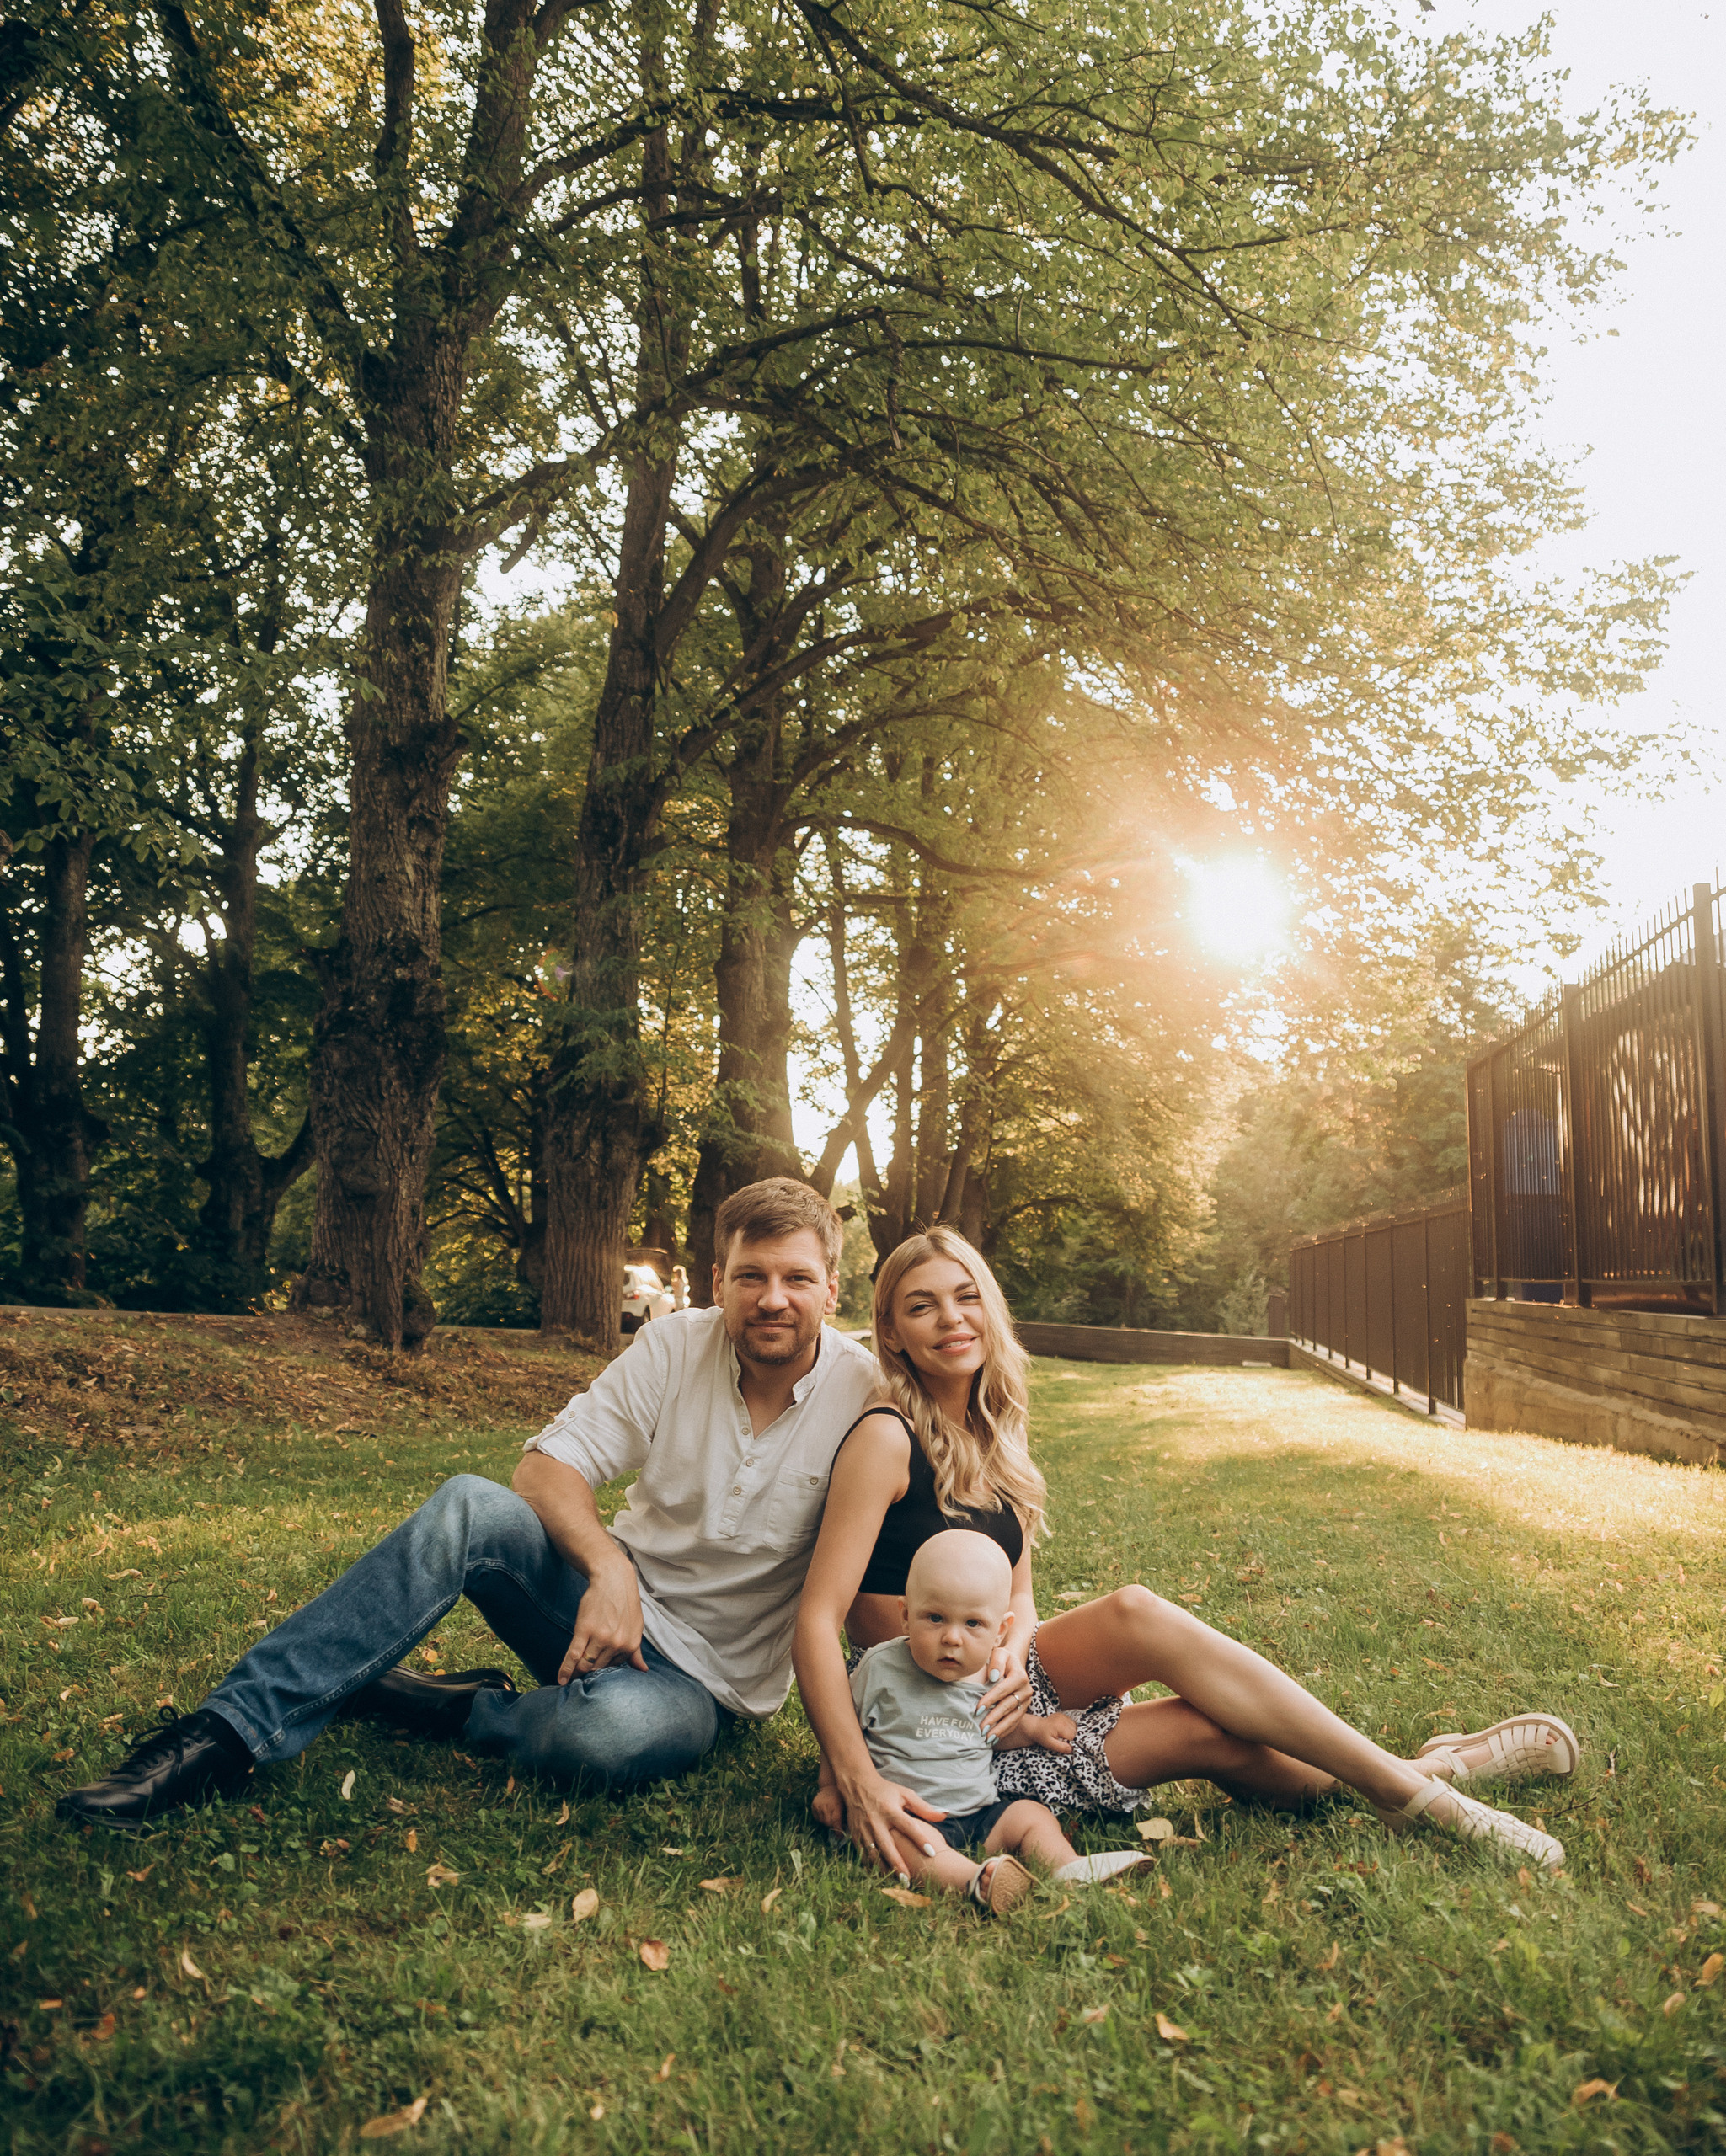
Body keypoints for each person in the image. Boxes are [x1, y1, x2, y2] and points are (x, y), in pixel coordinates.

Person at [58, 1180, 880, 1831]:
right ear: (717, 1282)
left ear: (832, 1289)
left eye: (797, 1278)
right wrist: (607, 1566)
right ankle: (224, 1734)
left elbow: (882, 1582)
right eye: (752, 1276)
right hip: (591, 1611)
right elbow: (545, 1467)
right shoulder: (673, 1343)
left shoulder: (864, 1396)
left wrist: (875, 1744)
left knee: (608, 1737)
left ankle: (452, 1705)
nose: (773, 1298)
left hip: (701, 1689)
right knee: (468, 1506)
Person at [792, 1227, 1579, 1878]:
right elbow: (817, 1622)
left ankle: (1423, 1788)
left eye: (965, 1297)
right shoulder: (884, 1437)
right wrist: (852, 1771)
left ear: (989, 1310)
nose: (950, 1319)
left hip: (1006, 1685)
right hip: (933, 1725)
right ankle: (1430, 1778)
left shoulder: (996, 1434)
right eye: (920, 1307)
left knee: (1137, 1615)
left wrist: (1016, 1668)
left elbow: (1018, 1595)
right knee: (1210, 1736)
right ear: (890, 1332)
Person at [827, 1529, 1154, 1914]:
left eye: (973, 1624)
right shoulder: (879, 1669)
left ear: (1000, 1630)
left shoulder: (989, 1677)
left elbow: (994, 1730)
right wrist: (830, 1788)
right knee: (905, 1844)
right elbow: (842, 1732)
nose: (952, 1638)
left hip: (983, 1814)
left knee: (1030, 1815)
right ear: (904, 1616)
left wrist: (1034, 1728)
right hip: (910, 1816)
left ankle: (1067, 1866)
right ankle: (974, 1881)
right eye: (934, 1618)